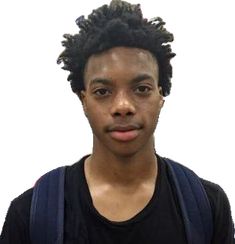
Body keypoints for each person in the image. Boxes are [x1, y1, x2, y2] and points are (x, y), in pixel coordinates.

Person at [1, 0, 234, 243]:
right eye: (103, 91)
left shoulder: (206, 205)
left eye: (141, 89)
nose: (123, 106)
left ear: (160, 95)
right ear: (84, 100)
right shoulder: (31, 215)